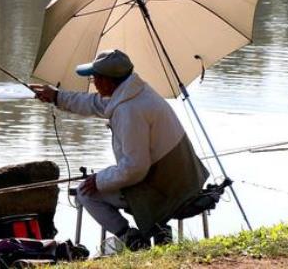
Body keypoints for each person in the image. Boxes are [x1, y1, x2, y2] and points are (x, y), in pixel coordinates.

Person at [31, 49, 209, 250]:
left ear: (107, 81)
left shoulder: (129, 110)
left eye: (94, 78)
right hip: (182, 177)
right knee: (101, 183)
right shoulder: (135, 92)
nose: (93, 83)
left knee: (85, 192)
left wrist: (98, 180)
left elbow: (135, 168)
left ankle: (132, 239)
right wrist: (56, 97)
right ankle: (156, 230)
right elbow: (94, 103)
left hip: (168, 188)